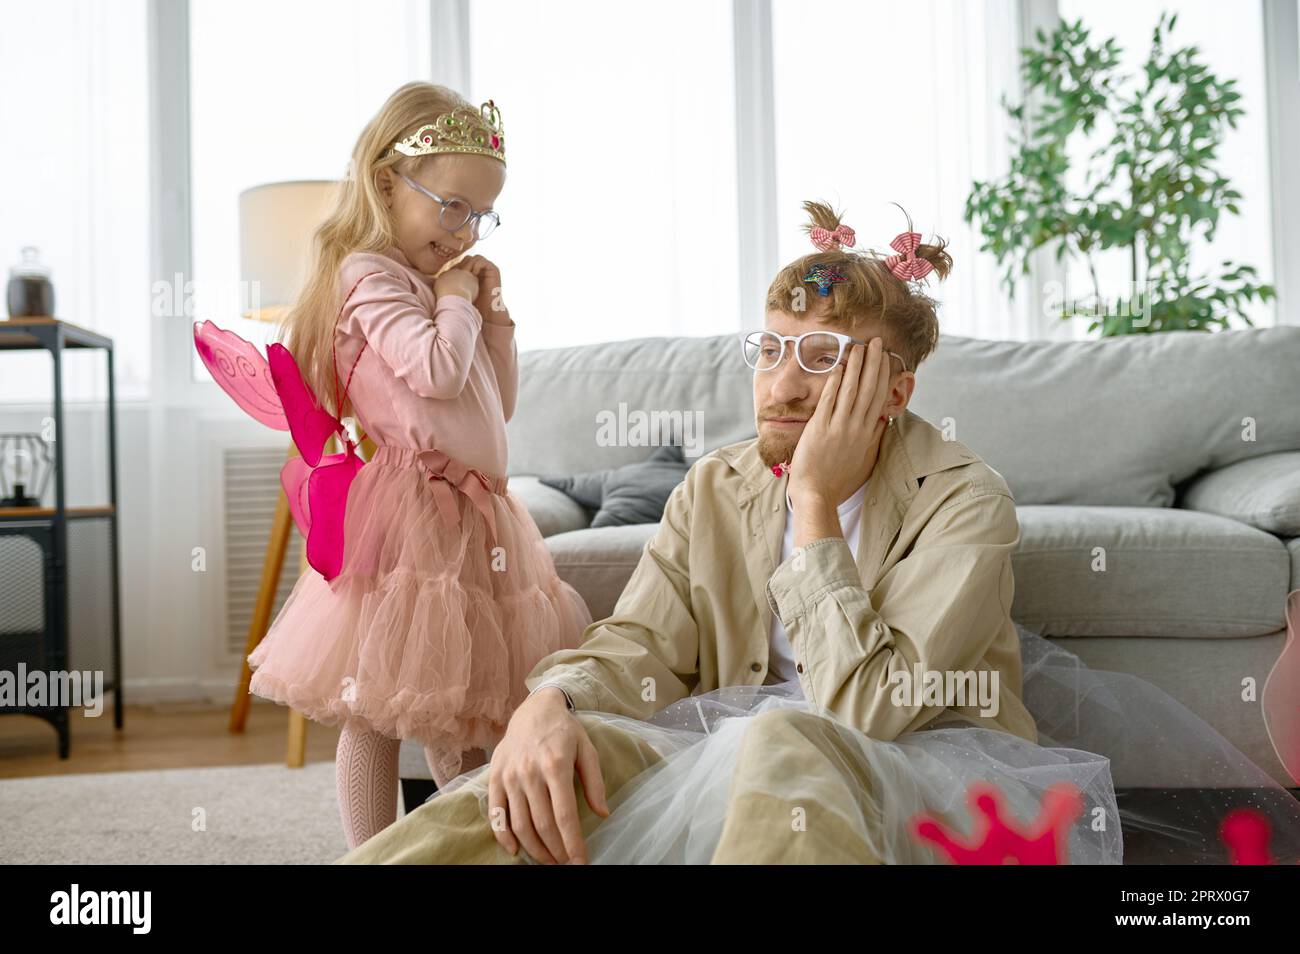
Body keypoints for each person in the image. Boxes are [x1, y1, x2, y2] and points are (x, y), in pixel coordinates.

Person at [337, 200, 1300, 865]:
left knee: (786, 738)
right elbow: (638, 648)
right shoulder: (712, 488)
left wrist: (811, 510)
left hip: (924, 770)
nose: (784, 383)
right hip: (723, 752)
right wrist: (550, 702)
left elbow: (870, 710)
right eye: (770, 351)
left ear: (893, 389)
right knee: (526, 776)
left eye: (824, 359)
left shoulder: (965, 500)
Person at [244, 82, 590, 849]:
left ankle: (461, 845)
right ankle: (370, 853)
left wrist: (492, 316)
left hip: (480, 513)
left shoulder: (437, 286)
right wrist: (457, 299)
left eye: (482, 214)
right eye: (453, 206)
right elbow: (431, 372)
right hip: (411, 512)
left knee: (469, 702)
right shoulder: (370, 276)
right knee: (378, 704)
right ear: (386, 183)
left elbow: (494, 401)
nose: (467, 231)